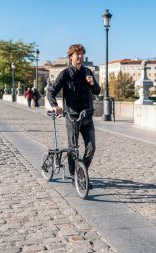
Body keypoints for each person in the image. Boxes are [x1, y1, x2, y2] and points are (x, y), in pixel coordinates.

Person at [47, 44, 101, 188]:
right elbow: (51, 91)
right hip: (72, 117)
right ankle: (74, 176)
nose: (81, 56)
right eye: (78, 54)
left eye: (82, 54)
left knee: (91, 148)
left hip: (87, 116)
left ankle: (81, 170)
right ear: (71, 56)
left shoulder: (88, 71)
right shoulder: (65, 73)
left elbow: (97, 91)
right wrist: (55, 106)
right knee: (72, 148)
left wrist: (92, 83)